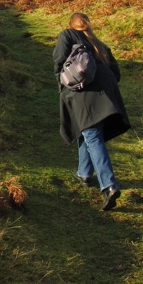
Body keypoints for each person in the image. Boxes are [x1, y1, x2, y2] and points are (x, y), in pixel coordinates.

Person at [53, 12, 131, 210]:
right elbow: (116, 73)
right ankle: (84, 173)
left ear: (71, 24)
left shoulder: (67, 35)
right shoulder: (98, 44)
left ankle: (108, 185)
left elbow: (60, 62)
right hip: (107, 93)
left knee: (92, 135)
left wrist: (63, 88)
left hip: (83, 92)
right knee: (88, 131)